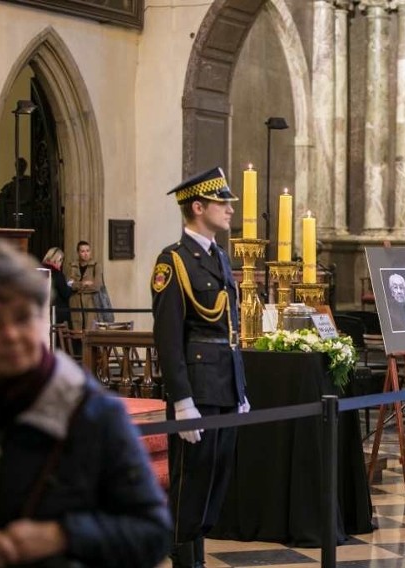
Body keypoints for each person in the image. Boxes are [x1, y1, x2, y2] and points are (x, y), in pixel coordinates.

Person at [0, 240, 171, 568]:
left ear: (42, 318)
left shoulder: (94, 413)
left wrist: (64, 535)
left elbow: (152, 533)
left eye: (23, 317)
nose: (10, 334)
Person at [152, 166, 250, 568]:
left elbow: (231, 328)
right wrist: (182, 400)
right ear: (197, 207)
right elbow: (169, 337)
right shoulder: (172, 262)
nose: (229, 210)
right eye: (221, 202)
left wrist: (239, 389)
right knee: (191, 483)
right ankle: (183, 558)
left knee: (216, 479)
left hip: (224, 386)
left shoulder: (220, 257)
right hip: (198, 388)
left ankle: (196, 556)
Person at [68, 240, 101, 332]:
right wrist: (84, 283)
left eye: (87, 251)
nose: (85, 254)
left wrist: (77, 286)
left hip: (90, 303)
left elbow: (96, 286)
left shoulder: (96, 266)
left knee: (90, 332)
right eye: (82, 251)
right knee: (77, 332)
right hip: (76, 303)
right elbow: (70, 285)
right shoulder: (72, 266)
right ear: (78, 252)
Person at [0, 157, 34, 229]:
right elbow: (3, 196)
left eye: (21, 166)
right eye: (18, 165)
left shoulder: (29, 183)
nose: (19, 168)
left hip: (24, 215)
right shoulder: (11, 185)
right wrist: (2, 198)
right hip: (13, 216)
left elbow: (28, 200)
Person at [42, 246, 73, 328]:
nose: (61, 264)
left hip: (43, 310)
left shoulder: (41, 270)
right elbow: (65, 293)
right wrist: (70, 287)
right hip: (58, 312)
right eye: (60, 260)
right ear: (56, 259)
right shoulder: (57, 274)